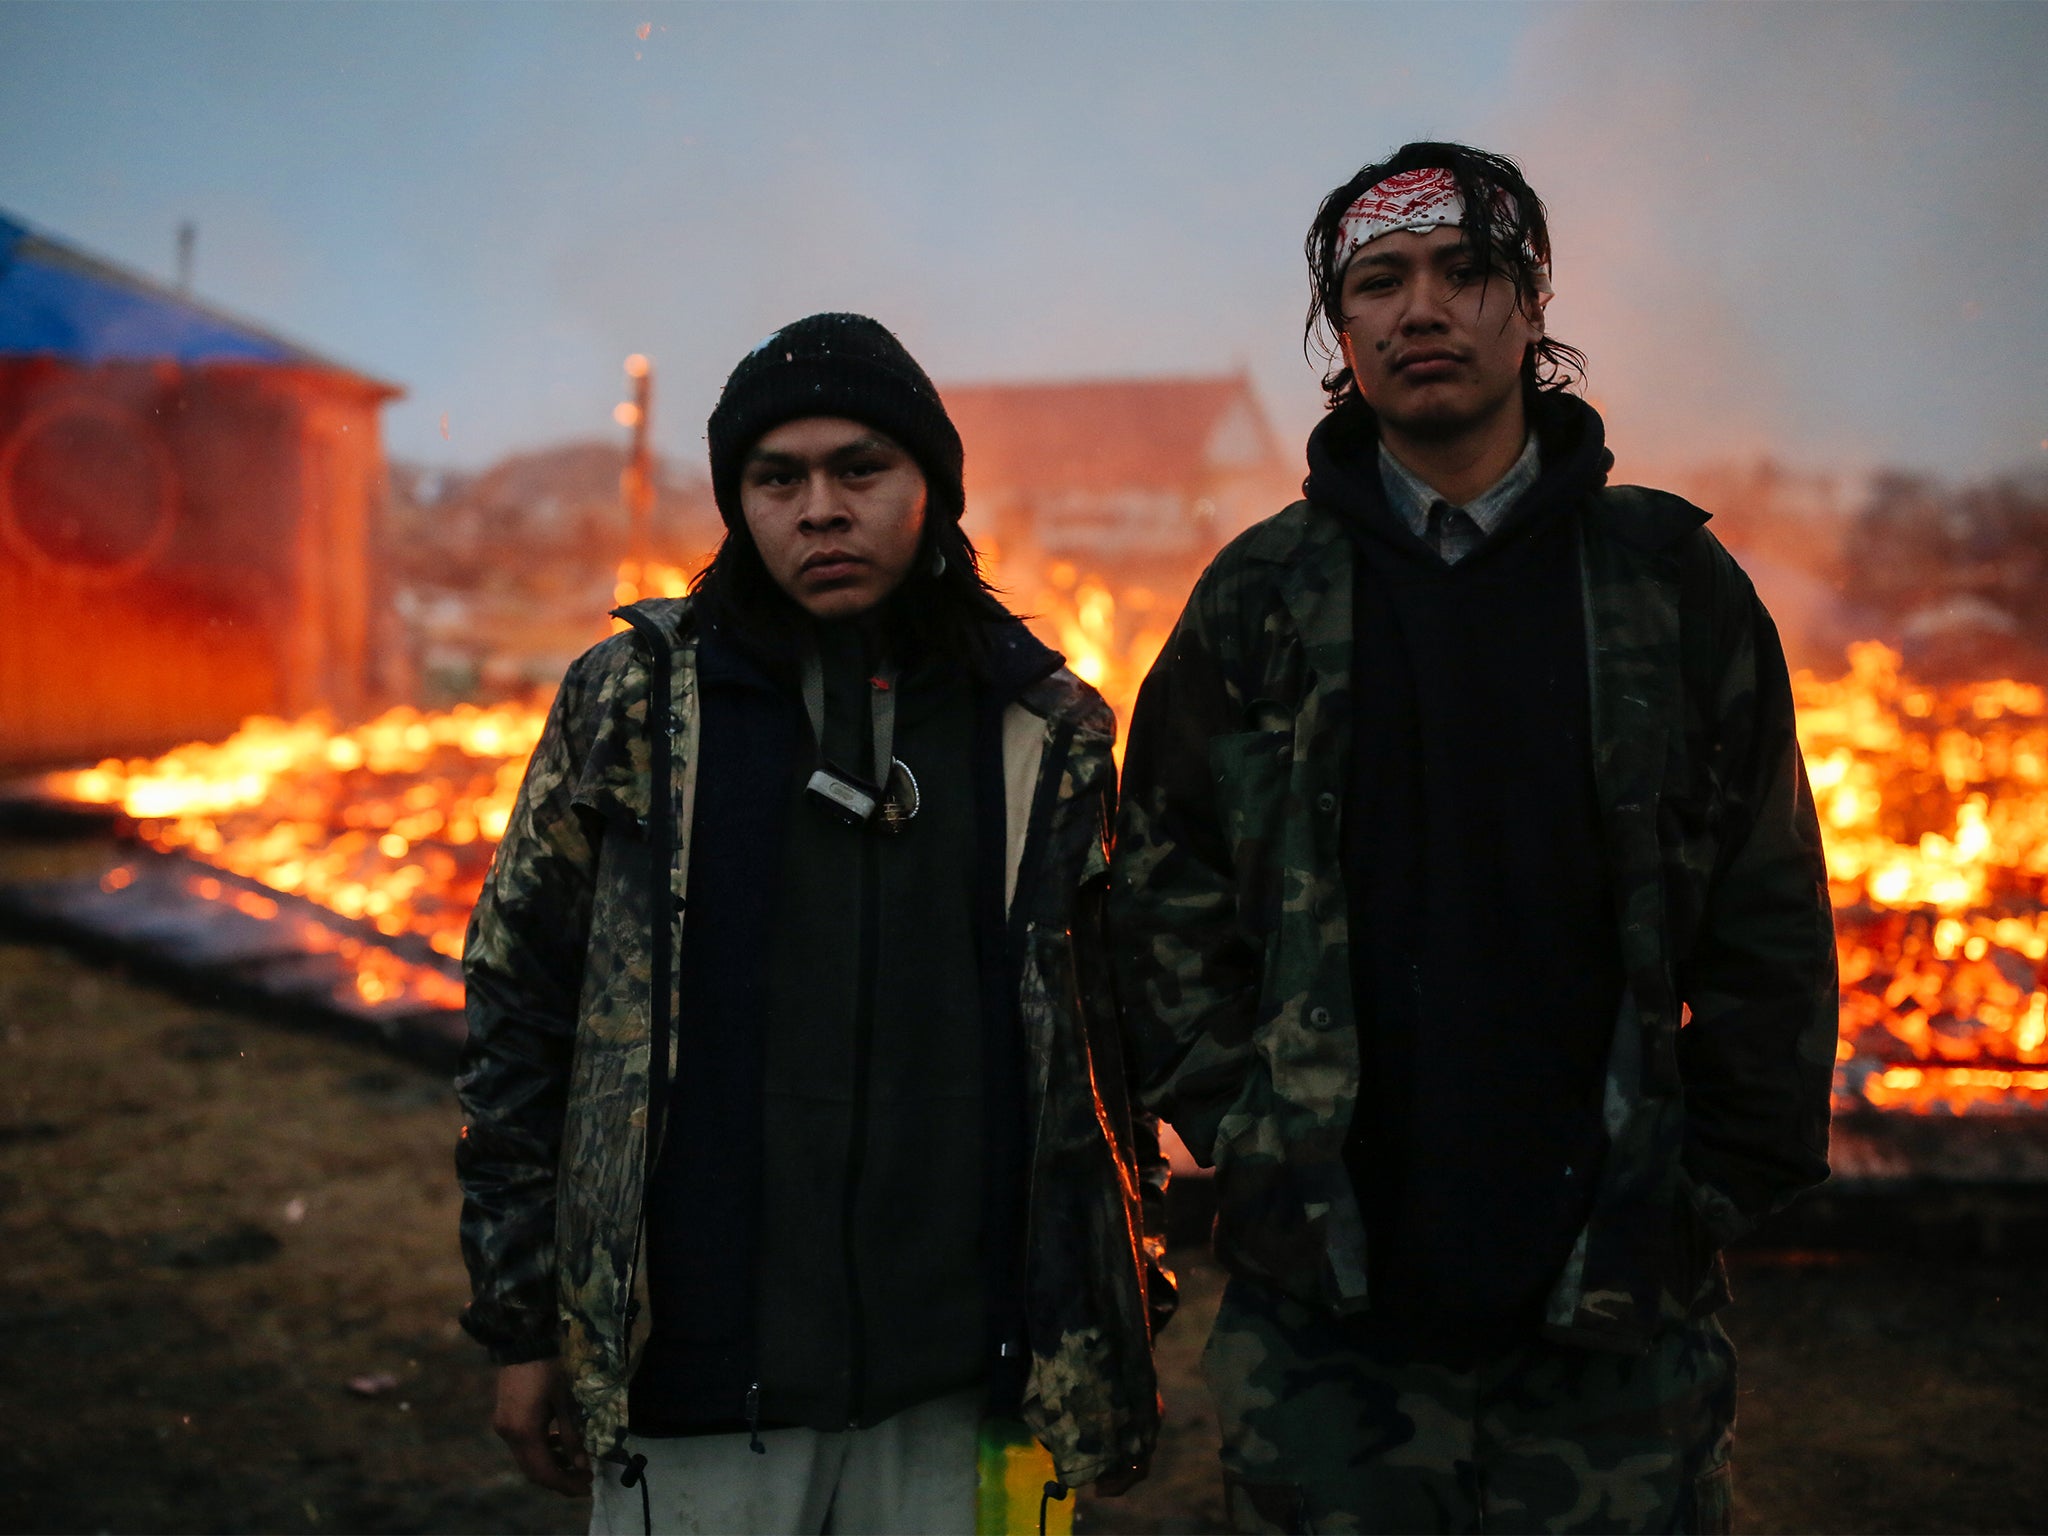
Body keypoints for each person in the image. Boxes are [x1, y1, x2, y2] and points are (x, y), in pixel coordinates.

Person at [1110, 143, 1837, 1534]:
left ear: (1531, 304)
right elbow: (1160, 890)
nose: (1420, 308)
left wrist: (1708, 1184)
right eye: (1377, 282)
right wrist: (1251, 1129)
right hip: (1330, 1316)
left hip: (1613, 1309)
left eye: (1464, 271)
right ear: (1342, 334)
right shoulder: (1260, 597)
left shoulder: (1666, 587)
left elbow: (1770, 908)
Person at [456, 313, 1167, 1534]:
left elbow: (1105, 1050)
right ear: (737, 503)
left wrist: (1110, 1314)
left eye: (859, 469)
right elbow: (522, 1008)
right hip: (694, 1382)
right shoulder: (635, 706)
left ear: (930, 489)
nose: (819, 509)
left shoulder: (1044, 732)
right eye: (776, 479)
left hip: (975, 1390)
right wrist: (526, 1319)